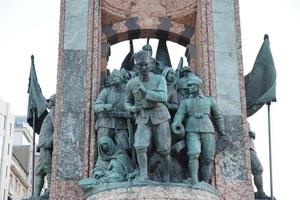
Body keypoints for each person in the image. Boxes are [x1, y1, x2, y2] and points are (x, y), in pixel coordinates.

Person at [124, 50, 171, 182]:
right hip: (142, 116)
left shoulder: (159, 79)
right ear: (136, 66)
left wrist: (145, 91)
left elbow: (163, 97)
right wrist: (131, 108)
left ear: (150, 64)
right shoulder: (131, 83)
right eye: (140, 66)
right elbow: (126, 101)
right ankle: (143, 174)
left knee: (164, 150)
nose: (143, 68)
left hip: (160, 115)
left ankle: (167, 174)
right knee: (139, 145)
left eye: (145, 64)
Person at [172, 76, 227, 184]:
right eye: (188, 86)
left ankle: (205, 182)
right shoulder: (185, 102)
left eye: (191, 85)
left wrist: (222, 131)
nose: (189, 88)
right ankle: (194, 180)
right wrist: (176, 123)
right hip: (192, 130)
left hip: (207, 129)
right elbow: (179, 115)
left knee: (208, 158)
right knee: (194, 154)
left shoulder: (210, 100)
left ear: (198, 86)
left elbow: (218, 116)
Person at [94, 69, 130, 152]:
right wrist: (105, 106)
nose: (115, 79)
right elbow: (96, 107)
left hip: (121, 125)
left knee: (124, 148)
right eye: (113, 77)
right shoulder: (105, 92)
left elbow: (129, 107)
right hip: (105, 123)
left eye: (117, 77)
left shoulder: (125, 94)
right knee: (104, 148)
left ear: (121, 79)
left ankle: (119, 164)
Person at [34, 94, 55, 197]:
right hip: (43, 145)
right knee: (39, 171)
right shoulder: (50, 113)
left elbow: (58, 127)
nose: (49, 103)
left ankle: (52, 191)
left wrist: (50, 142)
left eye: (50, 101)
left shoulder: (54, 112)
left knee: (47, 168)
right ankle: (36, 195)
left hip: (46, 145)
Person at [249, 130, 273, 199]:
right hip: (245, 145)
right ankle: (260, 192)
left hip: (249, 145)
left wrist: (252, 133)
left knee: (258, 169)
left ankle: (260, 192)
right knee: (258, 168)